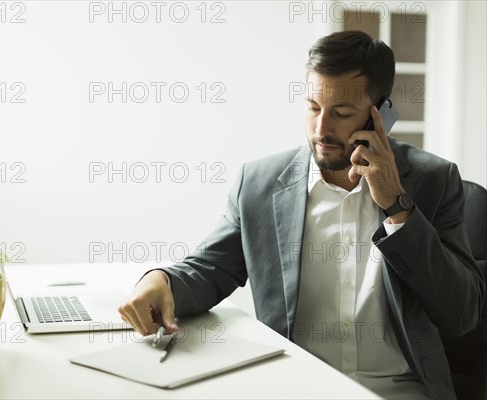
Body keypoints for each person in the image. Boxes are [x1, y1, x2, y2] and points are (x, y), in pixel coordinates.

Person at [118, 31, 485, 399]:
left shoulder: (433, 181)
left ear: (380, 114)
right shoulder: (259, 184)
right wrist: (160, 280)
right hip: (297, 387)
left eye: (341, 113)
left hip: (402, 391)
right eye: (313, 107)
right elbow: (210, 267)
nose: (321, 129)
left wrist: (397, 207)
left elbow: (462, 313)